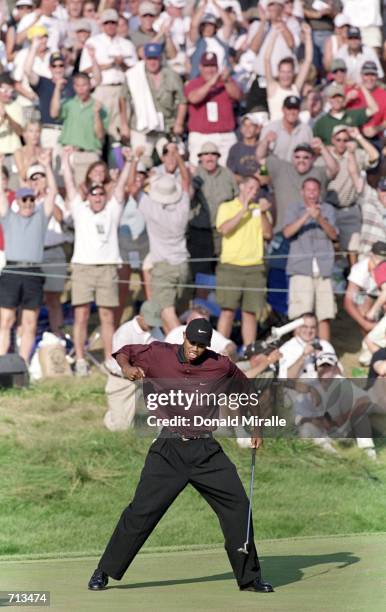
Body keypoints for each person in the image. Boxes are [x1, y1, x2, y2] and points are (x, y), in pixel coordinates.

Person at [87, 318, 273, 595]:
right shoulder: (159, 352)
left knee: (238, 509)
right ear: (183, 336)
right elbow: (124, 351)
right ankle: (104, 570)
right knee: (141, 512)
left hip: (206, 452)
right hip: (168, 450)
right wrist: (127, 368)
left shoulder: (220, 364)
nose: (195, 349)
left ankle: (249, 578)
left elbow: (247, 392)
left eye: (201, 345)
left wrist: (256, 428)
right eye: (192, 342)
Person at [62, 146, 132, 376]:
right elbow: (70, 186)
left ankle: (110, 361)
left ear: (105, 195)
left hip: (107, 269)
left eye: (101, 193)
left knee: (107, 317)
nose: (98, 197)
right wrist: (65, 159)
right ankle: (81, 360)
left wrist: (129, 162)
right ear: (88, 196)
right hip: (83, 268)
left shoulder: (112, 211)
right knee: (81, 315)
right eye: (94, 194)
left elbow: (121, 188)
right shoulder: (80, 210)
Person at [0, 150, 56, 363]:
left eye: (31, 199)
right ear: (18, 201)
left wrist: (47, 166)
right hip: (12, 271)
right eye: (24, 200)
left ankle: (22, 365)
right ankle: (2, 363)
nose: (28, 203)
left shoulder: (41, 217)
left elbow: (51, 194)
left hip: (33, 272)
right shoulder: (8, 217)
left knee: (30, 322)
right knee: (6, 320)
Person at [135, 149, 191, 333]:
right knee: (175, 313)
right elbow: (186, 181)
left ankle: (188, 350)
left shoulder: (151, 208)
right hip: (183, 266)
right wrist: (179, 159)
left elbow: (131, 188)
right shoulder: (182, 206)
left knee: (167, 313)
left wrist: (134, 160)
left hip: (164, 268)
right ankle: (176, 354)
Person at [216, 175, 273, 346]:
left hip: (255, 268)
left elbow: (268, 234)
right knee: (227, 311)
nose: (253, 192)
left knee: (250, 313)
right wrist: (243, 210)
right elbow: (224, 229)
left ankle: (249, 351)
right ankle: (218, 351)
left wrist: (262, 212)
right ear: (241, 187)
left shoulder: (260, 210)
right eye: (250, 187)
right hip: (230, 267)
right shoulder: (226, 207)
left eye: (256, 189)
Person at [283, 177, 338, 340]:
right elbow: (287, 232)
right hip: (300, 268)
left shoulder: (328, 209)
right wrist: (307, 215)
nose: (312, 194)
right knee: (301, 315)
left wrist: (319, 217)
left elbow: (334, 235)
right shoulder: (293, 208)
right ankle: (298, 353)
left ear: (319, 192)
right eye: (309, 190)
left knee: (325, 314)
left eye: (315, 190)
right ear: (302, 192)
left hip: (324, 269)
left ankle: (325, 355)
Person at [103, 300, 162, 432]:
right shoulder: (125, 332)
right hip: (121, 382)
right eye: (150, 322)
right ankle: (112, 415)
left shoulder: (156, 331)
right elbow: (121, 363)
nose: (153, 326)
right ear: (141, 315)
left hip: (145, 381)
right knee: (121, 427)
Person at [124, 42, 186, 155]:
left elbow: (182, 101)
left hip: (166, 126)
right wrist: (124, 125)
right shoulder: (135, 75)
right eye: (150, 59)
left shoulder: (172, 76)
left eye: (155, 59)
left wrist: (179, 123)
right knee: (140, 160)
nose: (152, 62)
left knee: (172, 156)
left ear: (161, 58)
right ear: (145, 59)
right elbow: (123, 99)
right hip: (141, 127)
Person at [188, 141, 238, 277]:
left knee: (223, 270)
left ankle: (219, 297)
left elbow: (237, 198)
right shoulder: (194, 174)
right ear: (200, 158)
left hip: (222, 231)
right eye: (206, 154)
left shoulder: (228, 175)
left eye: (213, 154)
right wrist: (193, 185)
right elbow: (187, 198)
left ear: (218, 157)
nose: (209, 158)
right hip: (199, 232)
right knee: (200, 272)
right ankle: (200, 297)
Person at [50, 72, 108, 185]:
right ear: (74, 87)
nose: (81, 89)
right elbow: (54, 113)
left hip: (89, 155)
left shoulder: (99, 106)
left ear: (90, 85)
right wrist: (57, 89)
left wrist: (96, 114)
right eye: (78, 85)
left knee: (88, 190)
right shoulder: (69, 104)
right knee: (66, 191)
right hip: (69, 154)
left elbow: (100, 135)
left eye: (84, 85)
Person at [184, 51, 242, 165]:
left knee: (229, 170)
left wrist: (227, 80)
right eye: (206, 66)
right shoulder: (194, 83)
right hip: (201, 136)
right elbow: (193, 98)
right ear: (200, 67)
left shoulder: (226, 83)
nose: (209, 70)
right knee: (198, 171)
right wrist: (210, 83)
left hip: (225, 135)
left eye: (212, 66)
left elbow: (238, 96)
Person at [313, 81, 379, 145]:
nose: (337, 100)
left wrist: (362, 87)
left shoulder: (352, 114)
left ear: (344, 98)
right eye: (333, 97)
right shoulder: (321, 123)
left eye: (339, 97)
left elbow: (374, 109)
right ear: (329, 100)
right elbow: (315, 146)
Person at [257, 95, 313, 163]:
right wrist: (266, 141)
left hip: (297, 171)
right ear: (283, 109)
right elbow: (259, 156)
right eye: (289, 108)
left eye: (295, 109)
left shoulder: (306, 130)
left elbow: (311, 155)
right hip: (275, 170)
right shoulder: (270, 128)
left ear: (299, 110)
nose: (292, 112)